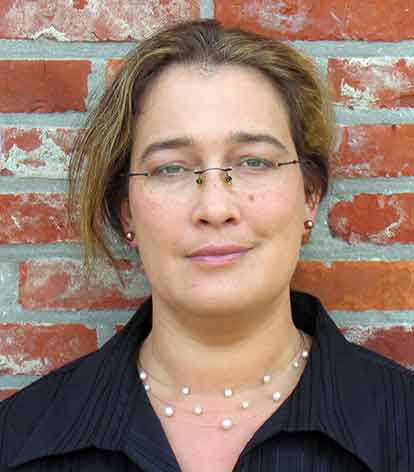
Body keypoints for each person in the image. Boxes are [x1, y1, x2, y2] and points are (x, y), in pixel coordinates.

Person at [0, 19, 413, 472]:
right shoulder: (19, 441)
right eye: (171, 169)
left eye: (254, 161)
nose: (215, 207)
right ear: (127, 211)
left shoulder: (402, 429)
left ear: (309, 195)